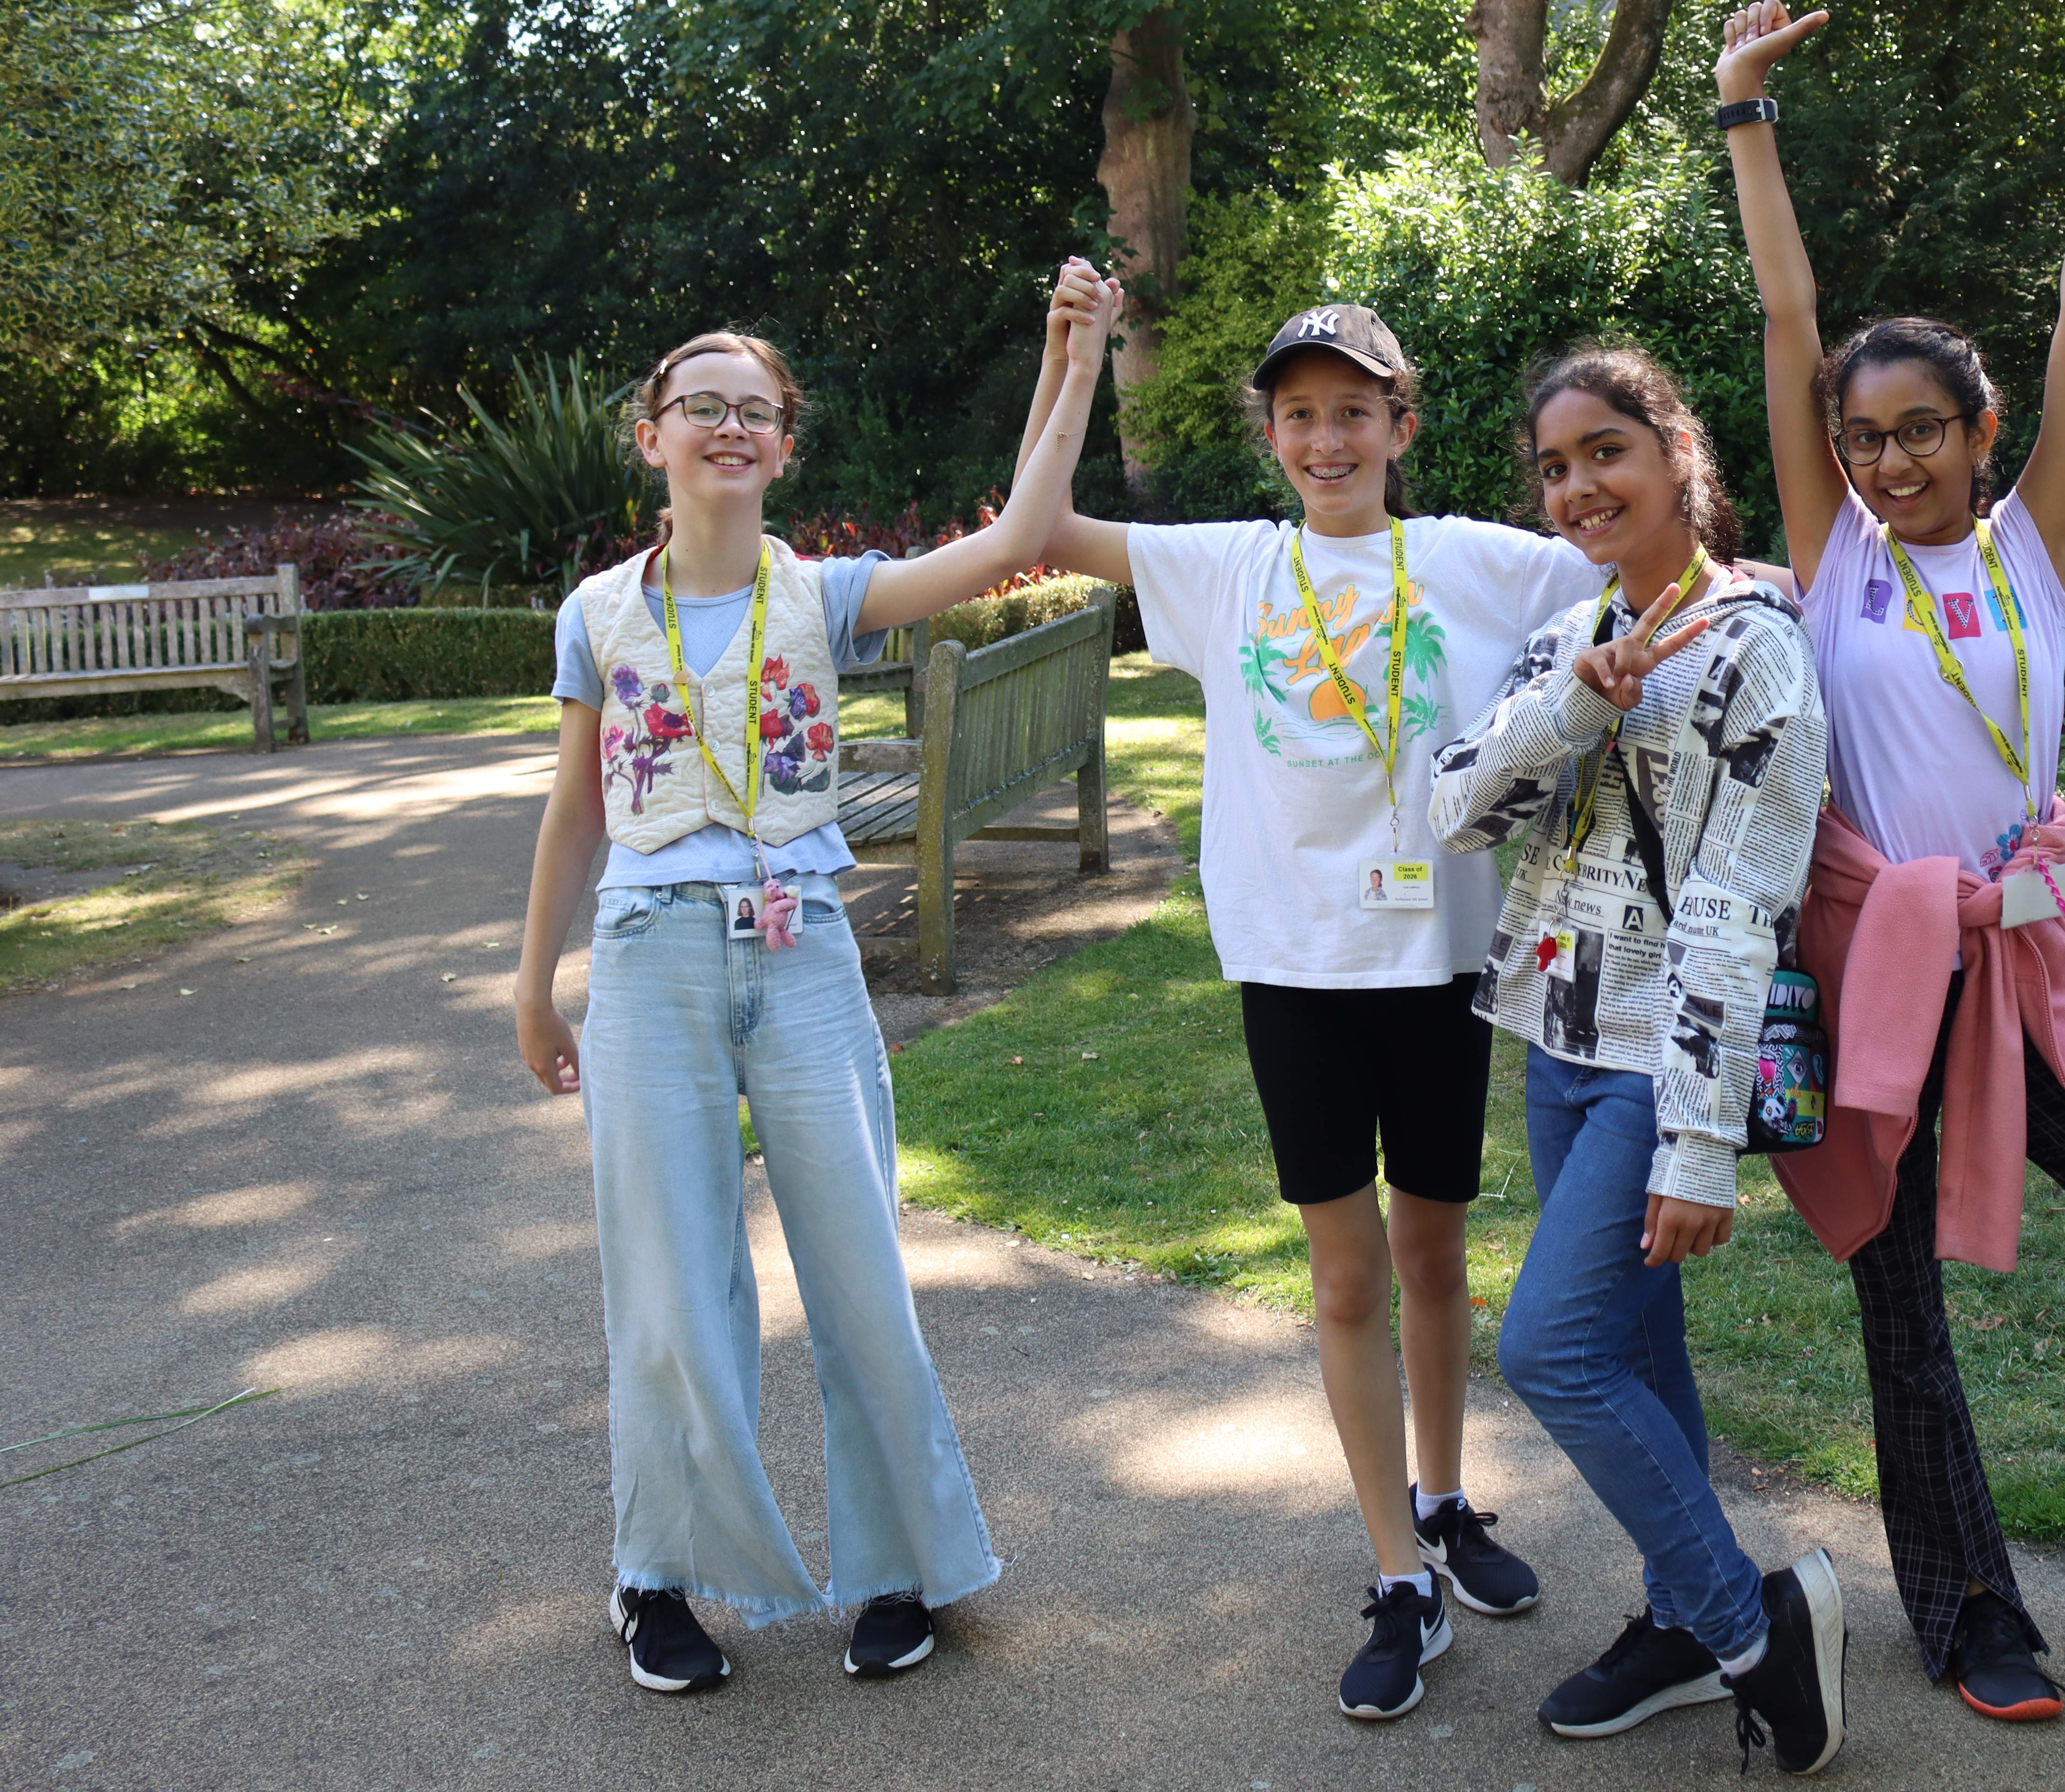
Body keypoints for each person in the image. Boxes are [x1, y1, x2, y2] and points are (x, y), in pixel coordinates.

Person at [1713, 0, 2065, 1725]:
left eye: (1921, 433)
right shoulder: (1841, 561)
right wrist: (1745, 115)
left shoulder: (2034, 544)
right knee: (1908, 1327)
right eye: (1862, 439)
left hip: (2023, 984)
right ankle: (1967, 1611)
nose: (1890, 461)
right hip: (1881, 981)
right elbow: (1790, 306)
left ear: (1977, 433)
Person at [1010, 271, 1594, 1721]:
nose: (1325, 441)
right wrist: (1071, 361)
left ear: (1402, 424)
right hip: (1295, 972)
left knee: (1437, 1261)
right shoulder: (1230, 569)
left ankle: (1450, 1503)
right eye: (1298, 418)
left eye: (1352, 414)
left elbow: (1639, 565)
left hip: (1441, 965)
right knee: (1344, 1279)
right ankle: (1396, 1571)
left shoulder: (1475, 561)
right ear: (1269, 436)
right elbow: (1032, 531)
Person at [513, 321, 1097, 1692]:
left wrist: (1070, 359)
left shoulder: (828, 595)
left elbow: (1018, 539)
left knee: (857, 1266)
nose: (728, 428)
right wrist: (532, 985)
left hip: (802, 955)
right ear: (649, 434)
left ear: (786, 442)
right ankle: (658, 1576)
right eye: (698, 406)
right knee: (663, 1281)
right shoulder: (596, 613)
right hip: (650, 956)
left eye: (755, 410)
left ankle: (899, 1567)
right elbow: (571, 816)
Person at [1427, 346, 1846, 1774]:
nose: (1579, 486)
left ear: (1679, 453)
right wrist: (1580, 703)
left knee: (1552, 1347)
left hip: (1656, 1067)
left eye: (1606, 450)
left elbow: (1741, 913)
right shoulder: (1569, 637)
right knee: (1640, 1351)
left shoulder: (1756, 647)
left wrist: (1697, 1140)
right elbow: (1455, 810)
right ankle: (1681, 1618)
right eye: (1554, 467)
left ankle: (1749, 1626)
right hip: (1554, 1046)